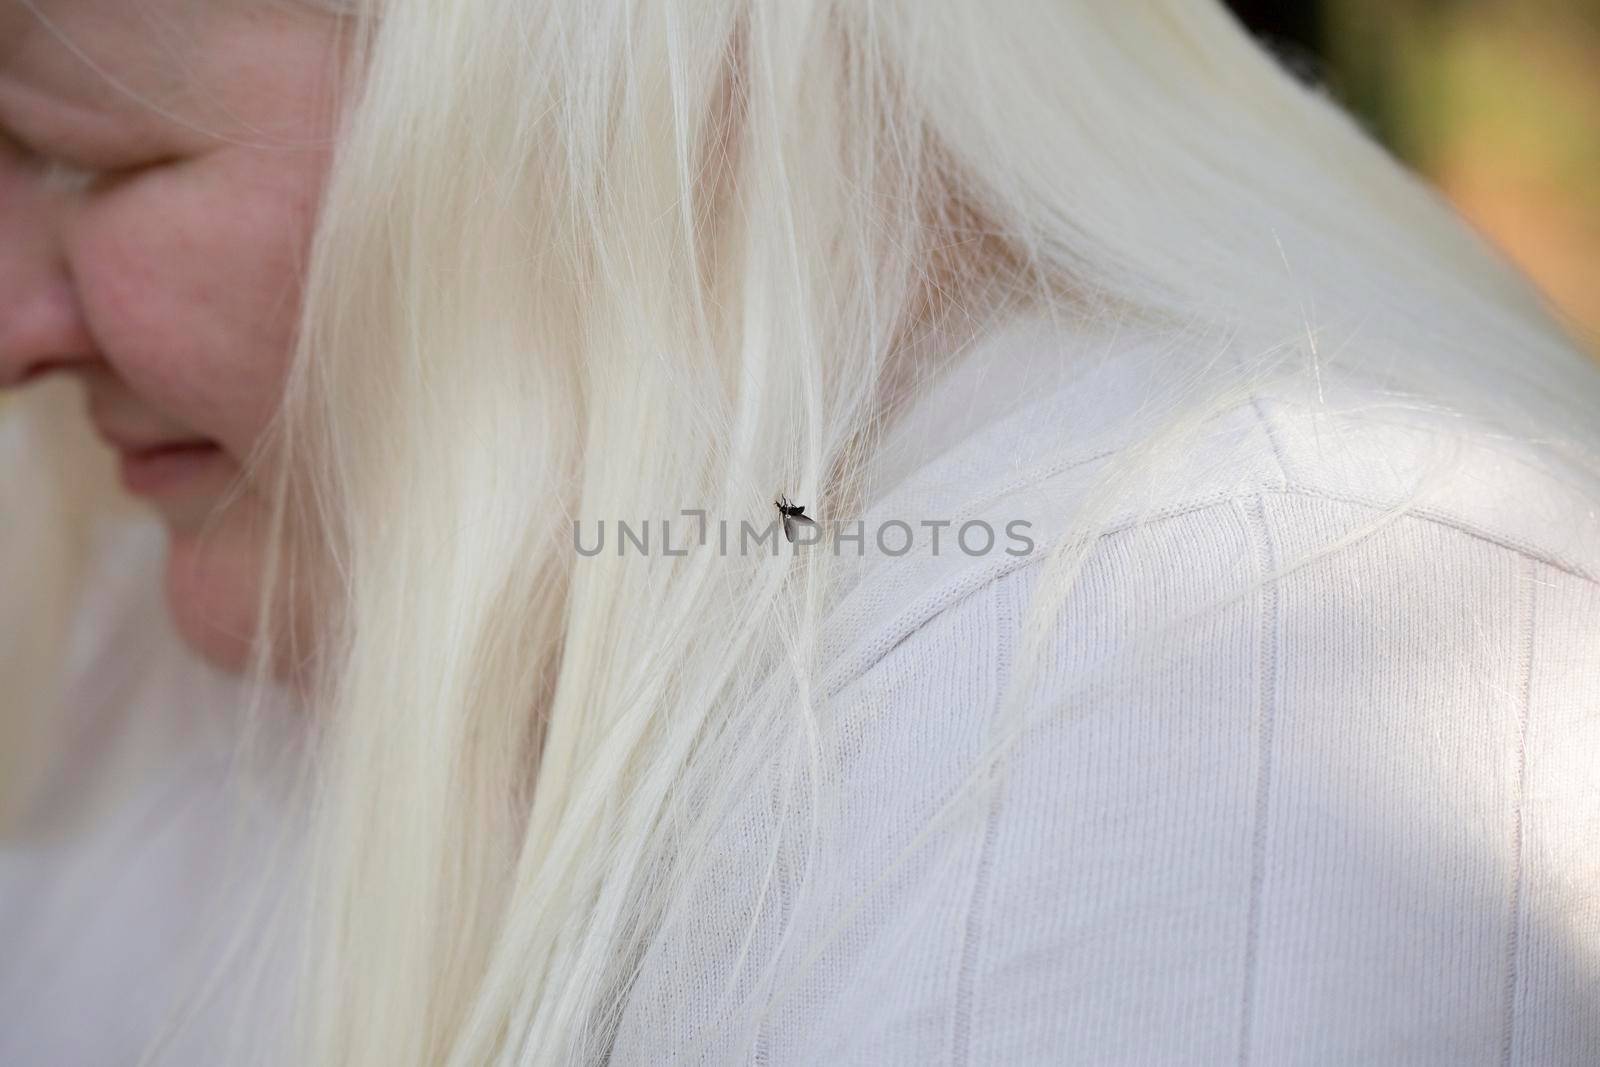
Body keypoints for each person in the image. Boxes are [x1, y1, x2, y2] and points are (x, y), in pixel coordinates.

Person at [2, 0, 1597, 1063]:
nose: (19, 325)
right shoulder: (184, 603)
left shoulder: (1257, 681)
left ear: (583, 101)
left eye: (97, 155)